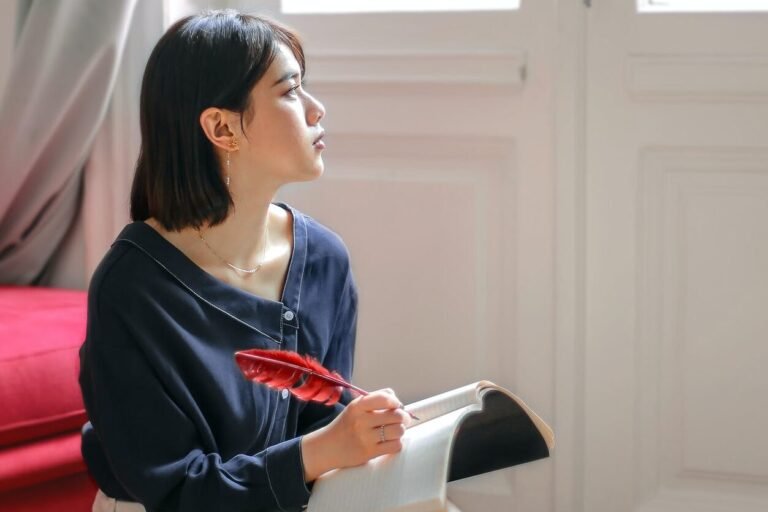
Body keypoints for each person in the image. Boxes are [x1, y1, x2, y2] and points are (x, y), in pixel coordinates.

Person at [79, 10, 410, 512]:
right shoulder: (132, 290)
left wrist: (365, 435)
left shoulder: (323, 259)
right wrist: (319, 452)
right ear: (222, 128)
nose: (316, 110)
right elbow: (174, 489)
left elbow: (323, 429)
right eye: (290, 91)